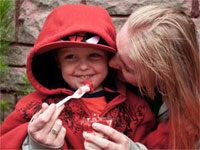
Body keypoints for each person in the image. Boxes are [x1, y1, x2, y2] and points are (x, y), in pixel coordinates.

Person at [0, 4, 156, 150]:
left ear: (109, 58)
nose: (83, 66)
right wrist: (35, 144)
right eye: (71, 57)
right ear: (57, 62)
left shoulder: (136, 109)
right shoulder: (35, 107)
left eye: (94, 55)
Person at [84, 4, 200, 150]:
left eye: (127, 67)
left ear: (163, 77)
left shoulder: (190, 119)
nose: (111, 63)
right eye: (116, 50)